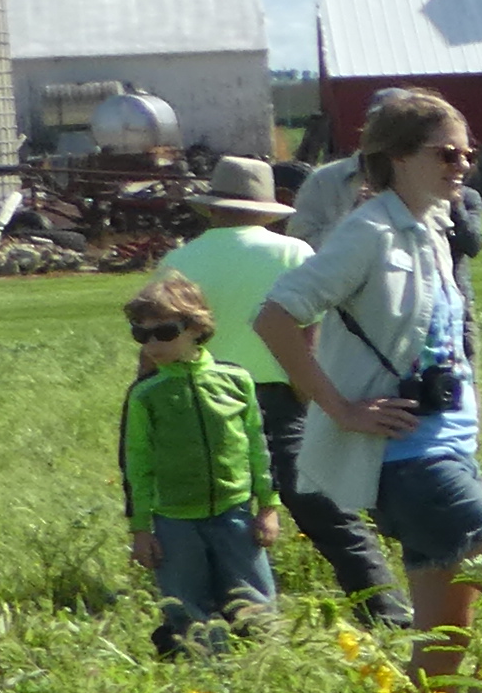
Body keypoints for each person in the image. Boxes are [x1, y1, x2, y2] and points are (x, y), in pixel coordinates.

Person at [263, 88, 482, 666]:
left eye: (468, 154)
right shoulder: (368, 231)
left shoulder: (432, 226)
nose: (463, 166)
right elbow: (276, 317)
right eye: (447, 154)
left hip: (452, 446)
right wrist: (342, 410)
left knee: (444, 639)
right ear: (399, 156)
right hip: (411, 458)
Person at [162, 156, 390, 619]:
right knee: (322, 508)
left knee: (221, 511)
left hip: (198, 399)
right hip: (278, 396)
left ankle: (228, 612)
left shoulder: (178, 261)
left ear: (212, 208)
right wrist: (309, 393)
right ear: (268, 208)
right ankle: (384, 609)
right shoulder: (292, 253)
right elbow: (310, 333)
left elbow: (157, 340)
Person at [113, 270, 277, 654]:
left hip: (235, 510)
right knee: (186, 604)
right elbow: (136, 463)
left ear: (195, 327)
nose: (152, 344)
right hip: (174, 519)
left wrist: (268, 506)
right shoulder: (145, 394)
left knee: (254, 597)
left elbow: (257, 445)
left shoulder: (235, 380)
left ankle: (265, 663)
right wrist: (141, 529)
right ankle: (207, 670)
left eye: (165, 332)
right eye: (142, 334)